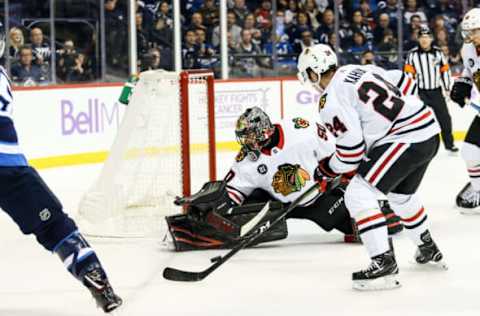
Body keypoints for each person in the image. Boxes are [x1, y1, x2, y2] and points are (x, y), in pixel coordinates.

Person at [297, 44, 445, 290]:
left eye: (308, 75)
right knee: (401, 196)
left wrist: (327, 169)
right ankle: (427, 247)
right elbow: (404, 80)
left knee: (359, 194)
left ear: (314, 72)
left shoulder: (330, 100)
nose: (310, 81)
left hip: (405, 138)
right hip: (427, 128)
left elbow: (351, 152)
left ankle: (383, 264)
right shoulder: (354, 69)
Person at [166, 107, 402, 251]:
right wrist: (213, 208)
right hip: (278, 204)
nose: (245, 142)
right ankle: (198, 233)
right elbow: (233, 190)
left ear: (263, 130)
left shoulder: (302, 130)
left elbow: (339, 156)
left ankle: (381, 206)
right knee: (238, 209)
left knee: (364, 228)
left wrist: (344, 180)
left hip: (319, 197)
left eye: (248, 136)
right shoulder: (247, 160)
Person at [0, 40, 122, 311]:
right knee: (54, 226)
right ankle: (98, 281)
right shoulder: (3, 75)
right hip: (8, 166)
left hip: (7, 162)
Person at [404, 26, 457, 152]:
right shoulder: (412, 55)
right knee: (417, 119)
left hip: (436, 91)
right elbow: (409, 75)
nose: (424, 40)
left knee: (445, 118)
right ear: (418, 39)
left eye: (426, 37)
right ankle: (416, 147)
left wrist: (448, 88)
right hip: (420, 92)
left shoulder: (438, 53)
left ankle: (449, 145)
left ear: (431, 39)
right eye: (422, 37)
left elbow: (445, 71)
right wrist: (412, 93)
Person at [450, 8, 480, 211]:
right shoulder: (468, 48)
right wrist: (463, 84)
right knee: (469, 151)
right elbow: (470, 71)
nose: (470, 36)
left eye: (474, 31)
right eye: (467, 32)